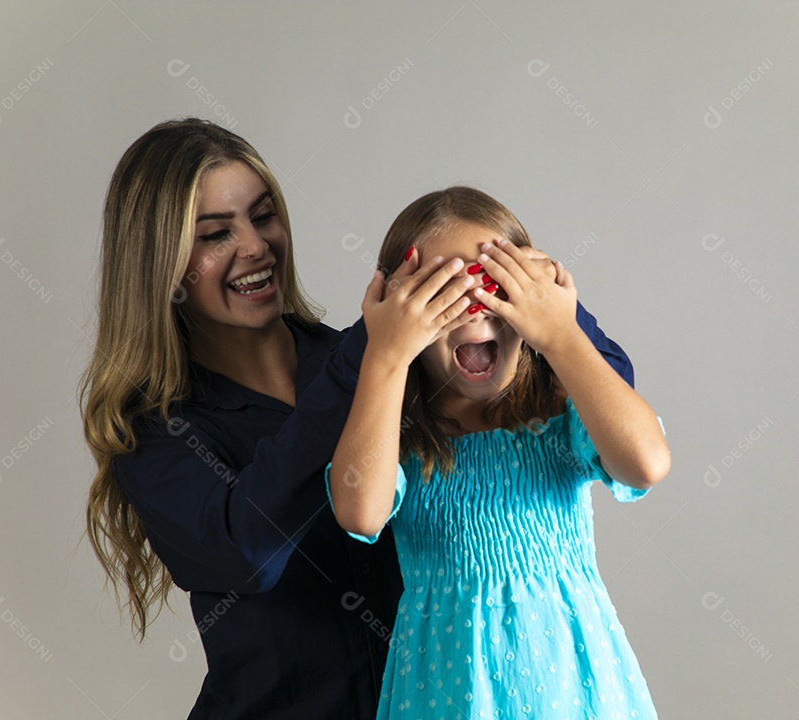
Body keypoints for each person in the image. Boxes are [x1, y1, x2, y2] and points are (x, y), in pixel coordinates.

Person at [80, 119, 637, 718]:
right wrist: (374, 356)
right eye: (216, 234)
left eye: (264, 217)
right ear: (160, 266)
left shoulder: (387, 361)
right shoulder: (154, 434)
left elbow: (605, 395)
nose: (256, 246)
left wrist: (537, 295)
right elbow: (246, 551)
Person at [328, 187, 671, 718]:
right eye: (442, 295)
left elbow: (646, 463)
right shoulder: (397, 430)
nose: (475, 310)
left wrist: (561, 332)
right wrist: (385, 355)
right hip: (444, 693)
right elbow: (359, 512)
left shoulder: (557, 407)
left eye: (496, 286)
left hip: (573, 691)